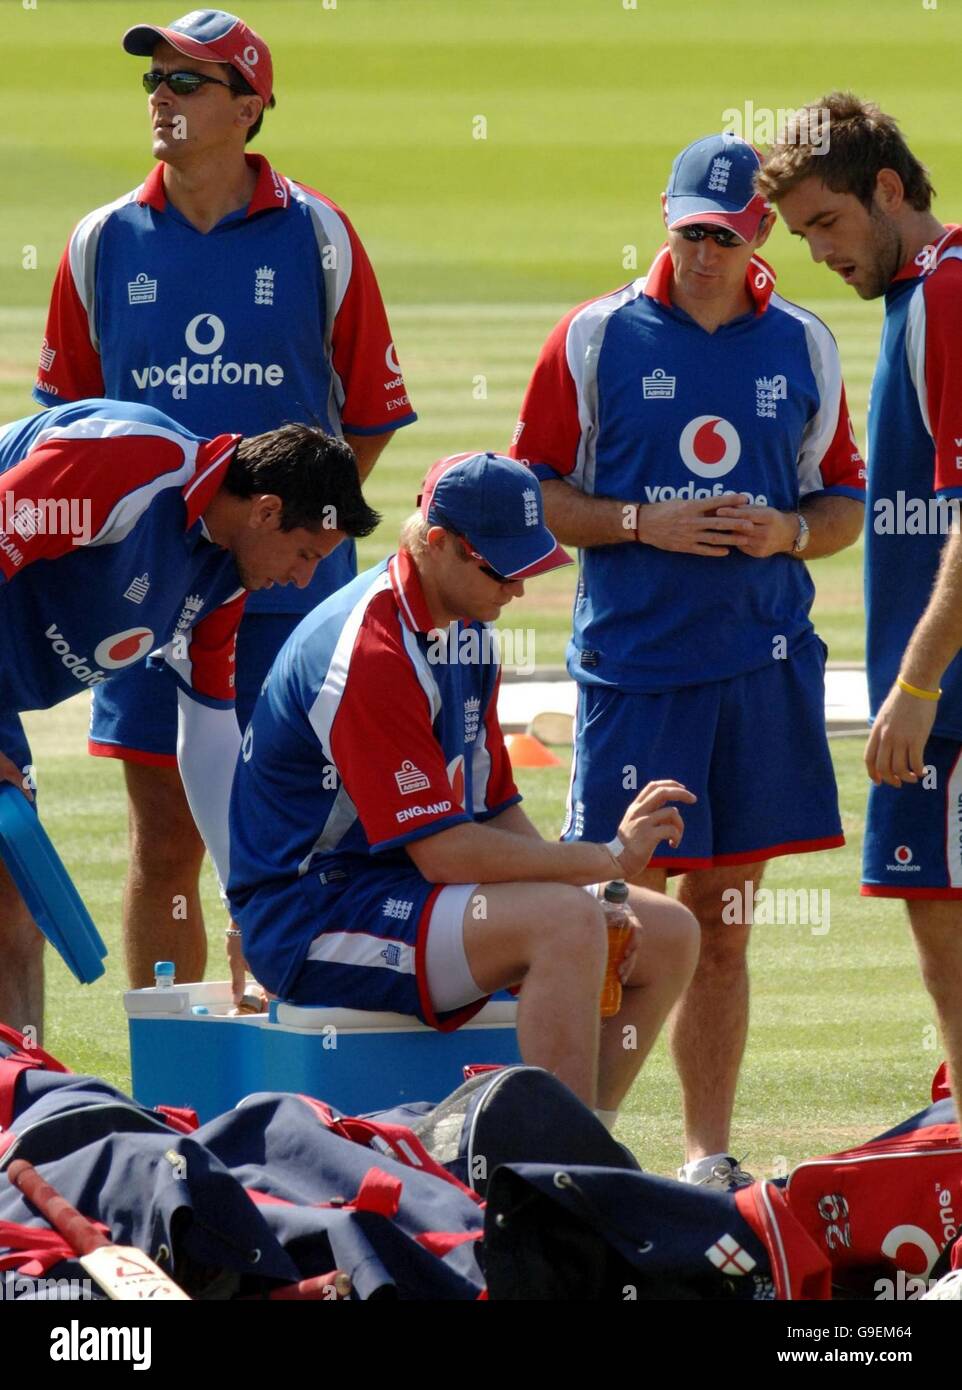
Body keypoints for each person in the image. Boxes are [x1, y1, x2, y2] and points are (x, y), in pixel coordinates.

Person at [509, 134, 865, 1186]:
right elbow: (531, 494)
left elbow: (838, 499)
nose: (701, 254)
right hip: (634, 671)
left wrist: (787, 535)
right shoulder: (592, 337)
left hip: (758, 670)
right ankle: (588, 1147)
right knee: (609, 914)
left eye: (721, 234)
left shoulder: (801, 344)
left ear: (758, 233)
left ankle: (706, 1155)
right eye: (685, 233)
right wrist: (636, 521)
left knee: (723, 918)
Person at [33, 8, 414, 990]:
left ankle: (284, 1088)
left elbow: (367, 413)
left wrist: (283, 534)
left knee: (293, 838)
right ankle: (168, 1086)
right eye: (154, 81)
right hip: (139, 594)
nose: (161, 97)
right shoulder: (99, 242)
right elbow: (66, 429)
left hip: (293, 595)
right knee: (163, 839)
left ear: (249, 105)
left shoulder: (317, 234)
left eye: (187, 82)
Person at [227, 452, 700, 1113]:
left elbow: (495, 807)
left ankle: (587, 1143)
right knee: (566, 923)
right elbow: (446, 852)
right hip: (310, 915)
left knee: (667, 933)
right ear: (440, 545)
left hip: (398, 890)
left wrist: (598, 888)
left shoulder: (468, 630)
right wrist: (603, 861)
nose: (518, 590)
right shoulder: (370, 654)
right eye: (503, 569)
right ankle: (556, 1175)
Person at [0, 397, 379, 1035]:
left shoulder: (225, 576)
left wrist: (248, 909)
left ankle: (18, 1116)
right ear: (266, 511)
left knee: (13, 911)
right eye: (307, 554)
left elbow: (207, 742)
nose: (303, 578)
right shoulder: (125, 463)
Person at [758, 93, 962, 1114]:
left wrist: (919, 680)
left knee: (950, 954)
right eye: (798, 237)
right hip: (933, 693)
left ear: (888, 189)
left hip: (949, 700)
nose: (816, 254)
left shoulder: (946, 296)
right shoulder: (915, 299)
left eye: (826, 224)